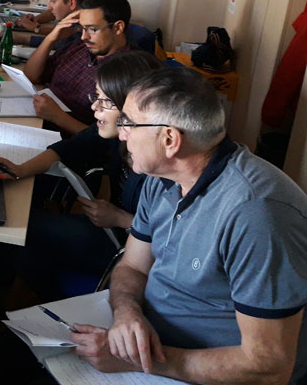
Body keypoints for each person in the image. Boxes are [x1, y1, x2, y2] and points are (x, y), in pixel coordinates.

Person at [72, 68, 307, 384]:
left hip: (201, 371)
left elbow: (268, 366)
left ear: (169, 140)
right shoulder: (161, 177)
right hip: (158, 347)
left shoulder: (256, 214)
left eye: (128, 122)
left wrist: (142, 360)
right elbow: (132, 266)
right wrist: (128, 314)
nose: (122, 133)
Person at [0, 51, 163, 292]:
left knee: (22, 228)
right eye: (96, 97)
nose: (94, 106)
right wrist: (20, 169)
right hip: (110, 228)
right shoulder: (117, 134)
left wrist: (121, 218)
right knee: (24, 241)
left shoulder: (158, 167)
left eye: (105, 102)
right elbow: (71, 147)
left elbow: (171, 240)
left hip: (131, 250)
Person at [24, 0, 132, 135]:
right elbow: (31, 76)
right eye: (82, 28)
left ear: (118, 28)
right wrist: (51, 38)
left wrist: (58, 117)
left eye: (92, 29)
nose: (83, 37)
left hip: (67, 138)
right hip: (38, 117)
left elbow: (109, 141)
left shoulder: (127, 71)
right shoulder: (81, 47)